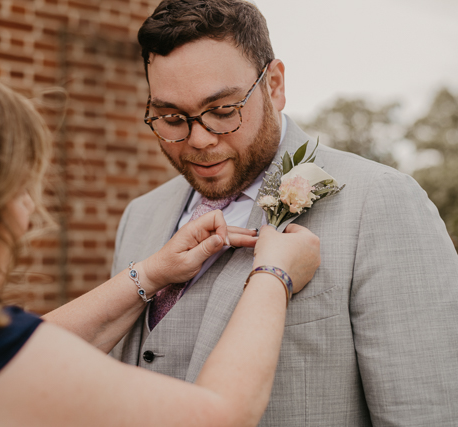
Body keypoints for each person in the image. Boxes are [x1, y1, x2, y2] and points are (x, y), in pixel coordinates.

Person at [0, 55, 322, 426]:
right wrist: (273, 274)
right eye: (19, 189)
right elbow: (220, 415)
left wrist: (153, 271)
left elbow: (34, 343)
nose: (30, 214)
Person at [109, 0, 458, 425]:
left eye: (222, 111)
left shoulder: (381, 201)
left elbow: (422, 414)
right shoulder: (140, 215)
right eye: (171, 117)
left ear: (273, 84)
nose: (198, 139)